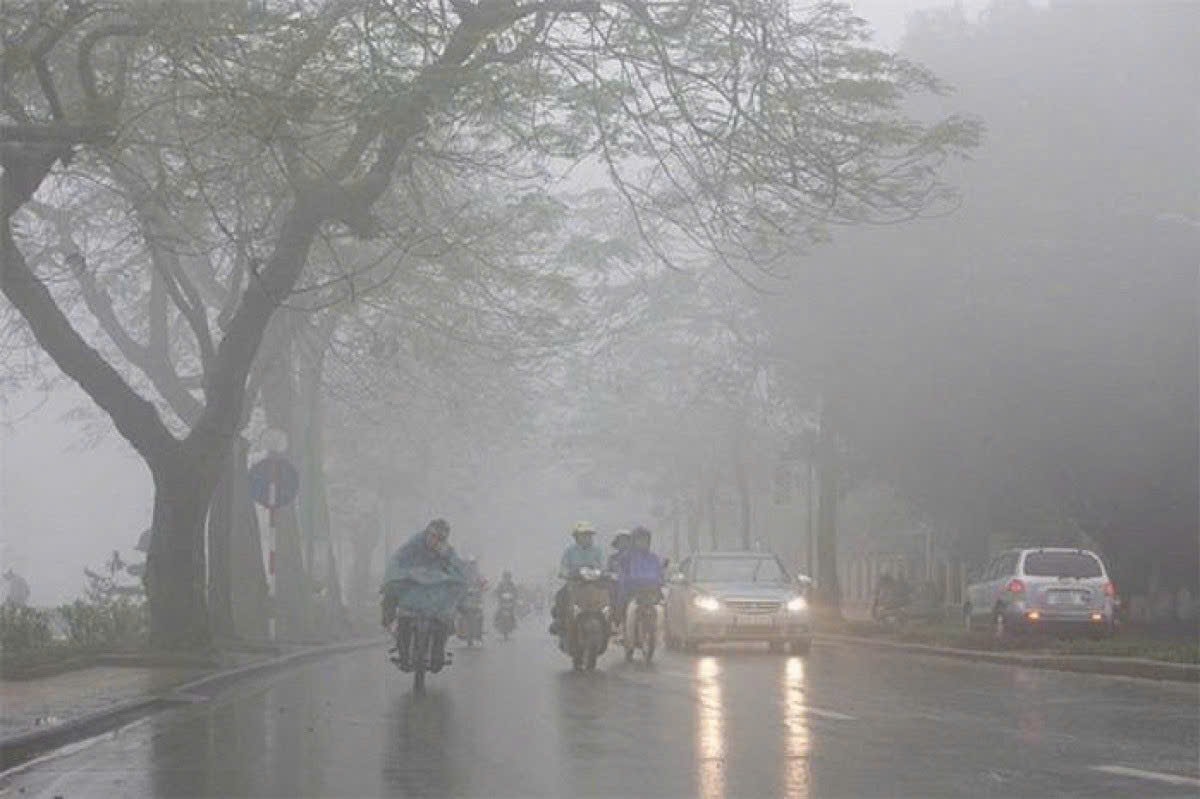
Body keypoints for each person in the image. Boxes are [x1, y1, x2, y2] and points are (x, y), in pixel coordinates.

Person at [380, 519, 466, 670]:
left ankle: (439, 653)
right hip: (412, 593)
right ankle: (400, 646)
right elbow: (396, 562)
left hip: (435, 597)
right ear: (427, 533)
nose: (434, 541)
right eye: (432, 535)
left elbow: (458, 570)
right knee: (393, 601)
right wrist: (398, 576)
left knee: (445, 620)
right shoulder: (412, 546)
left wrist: (454, 576)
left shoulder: (448, 552)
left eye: (440, 538)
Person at [549, 521, 605, 635]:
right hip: (575, 583)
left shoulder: (598, 550)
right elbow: (563, 567)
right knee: (560, 595)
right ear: (576, 537)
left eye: (588, 535)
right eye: (583, 535)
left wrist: (602, 572)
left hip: (594, 584)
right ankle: (560, 622)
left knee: (608, 597)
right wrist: (565, 573)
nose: (586, 538)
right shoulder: (569, 550)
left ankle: (611, 624)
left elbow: (602, 565)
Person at [615, 526, 664, 635]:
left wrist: (660, 581)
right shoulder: (627, 557)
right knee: (625, 606)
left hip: (651, 591)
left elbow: (659, 573)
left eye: (645, 540)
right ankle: (623, 630)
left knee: (663, 608)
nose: (642, 543)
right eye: (639, 539)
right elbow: (622, 573)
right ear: (634, 541)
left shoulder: (654, 557)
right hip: (633, 591)